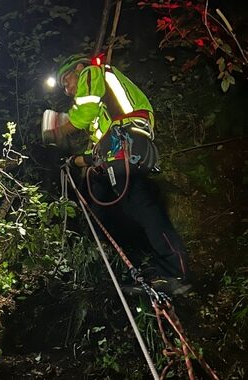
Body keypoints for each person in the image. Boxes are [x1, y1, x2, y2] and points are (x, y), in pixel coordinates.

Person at [48, 53, 191, 296]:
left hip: (128, 142)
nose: (68, 89)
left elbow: (85, 112)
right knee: (115, 208)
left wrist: (58, 127)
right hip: (119, 147)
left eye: (66, 81)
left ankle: (175, 271)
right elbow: (98, 144)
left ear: (79, 68)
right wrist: (75, 161)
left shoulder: (92, 72)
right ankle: (144, 266)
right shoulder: (105, 110)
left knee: (142, 205)